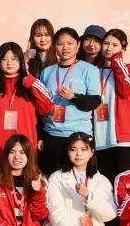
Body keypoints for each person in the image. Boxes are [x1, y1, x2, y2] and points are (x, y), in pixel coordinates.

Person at [38, 27, 102, 175]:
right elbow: (39, 105)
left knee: (78, 180)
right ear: (54, 46)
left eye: (69, 43)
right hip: (51, 135)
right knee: (52, 179)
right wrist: (40, 136)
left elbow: (94, 102)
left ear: (78, 45)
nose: (65, 48)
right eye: (60, 44)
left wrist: (74, 97)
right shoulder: (47, 72)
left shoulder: (89, 70)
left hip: (79, 135)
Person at [0, 41, 54, 169]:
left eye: (14, 58)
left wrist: (30, 81)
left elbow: (47, 107)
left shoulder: (31, 84)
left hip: (24, 151)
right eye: (4, 59)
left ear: (21, 60)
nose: (9, 63)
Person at [93, 29, 130, 187]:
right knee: (104, 187)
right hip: (100, 139)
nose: (109, 48)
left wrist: (117, 61)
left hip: (122, 141)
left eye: (115, 45)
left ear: (123, 48)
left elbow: (125, 89)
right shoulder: (93, 71)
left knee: (124, 186)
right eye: (106, 43)